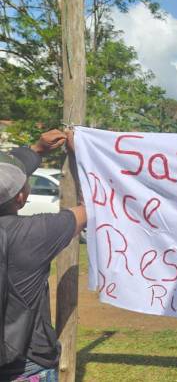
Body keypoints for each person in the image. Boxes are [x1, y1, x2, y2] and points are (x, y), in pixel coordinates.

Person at [0, 130, 87, 381]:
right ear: (21, 197)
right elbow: (91, 207)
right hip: (25, 364)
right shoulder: (36, 233)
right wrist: (82, 155)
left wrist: (37, 149)